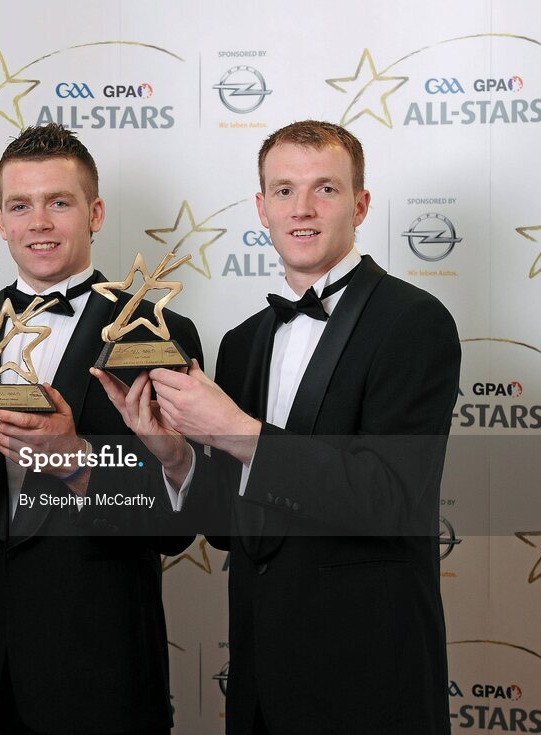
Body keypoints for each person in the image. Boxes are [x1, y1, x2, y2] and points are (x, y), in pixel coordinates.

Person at [95, 120, 460, 734]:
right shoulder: (242, 344)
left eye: (326, 189)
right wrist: (175, 457)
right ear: (261, 208)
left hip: (371, 681)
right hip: (263, 686)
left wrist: (238, 430)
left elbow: (393, 498)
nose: (304, 210)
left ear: (361, 204)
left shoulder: (414, 322)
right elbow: (229, 533)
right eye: (284, 191)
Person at [0, 123, 203, 735]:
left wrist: (77, 460)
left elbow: (176, 523)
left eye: (58, 202)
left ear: (94, 213)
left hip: (103, 669)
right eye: (22, 205)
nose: (39, 222)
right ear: (0, 220)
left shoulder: (155, 334)